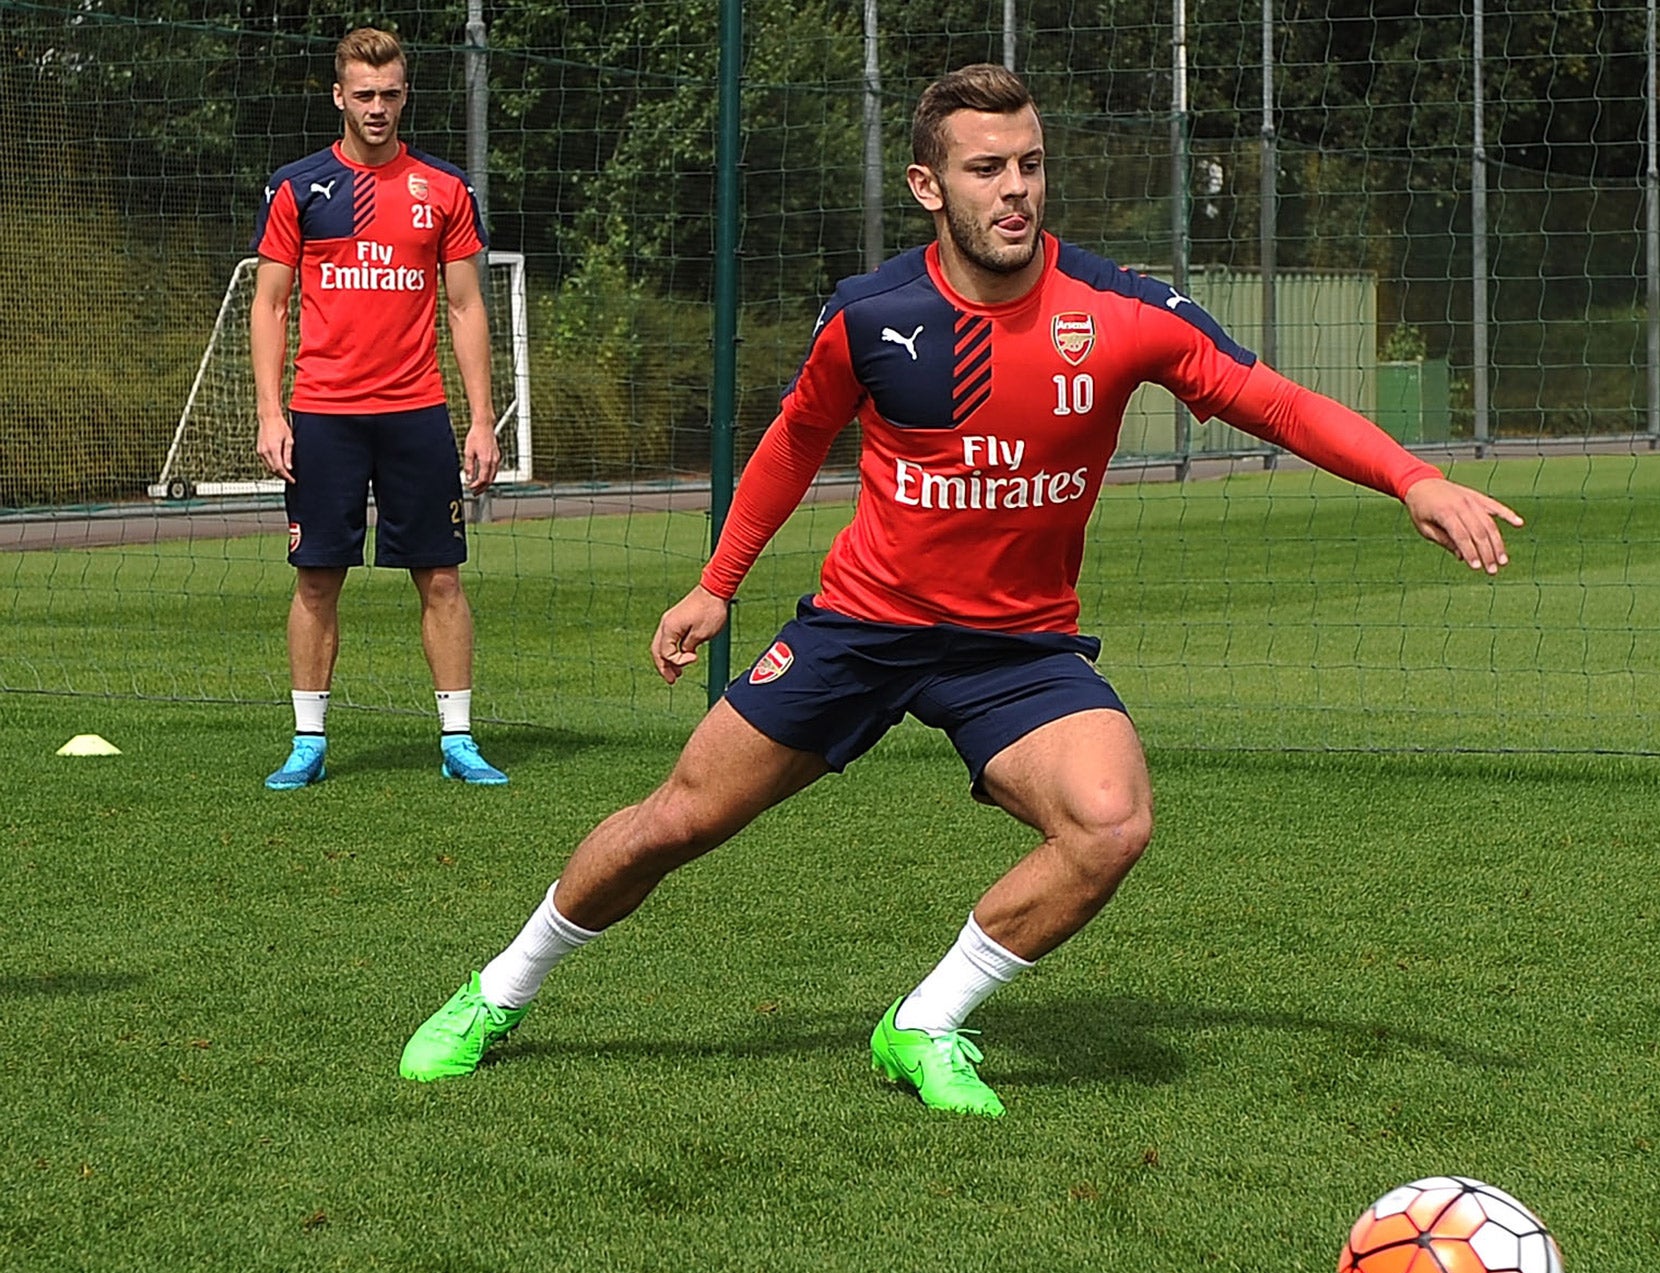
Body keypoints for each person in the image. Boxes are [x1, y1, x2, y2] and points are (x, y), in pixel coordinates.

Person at [399, 64, 1523, 1112]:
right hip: (863, 626)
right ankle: (498, 989)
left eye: (1028, 163)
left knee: (1109, 823)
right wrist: (714, 586)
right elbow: (793, 444)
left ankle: (923, 1022)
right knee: (675, 822)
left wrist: (1409, 477)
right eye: (987, 169)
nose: (1015, 190)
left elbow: (1271, 402)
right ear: (927, 185)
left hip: (1014, 650)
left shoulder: (1122, 310)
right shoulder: (873, 315)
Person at [250, 27, 507, 790]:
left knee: (442, 577)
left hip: (416, 412)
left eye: (390, 93)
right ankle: (308, 741)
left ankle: (458, 740)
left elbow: (464, 307)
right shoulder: (297, 187)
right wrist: (271, 412)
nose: (377, 108)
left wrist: (483, 418)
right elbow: (269, 305)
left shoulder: (445, 188)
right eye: (363, 94)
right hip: (323, 414)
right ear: (338, 96)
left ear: (405, 95)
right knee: (317, 577)